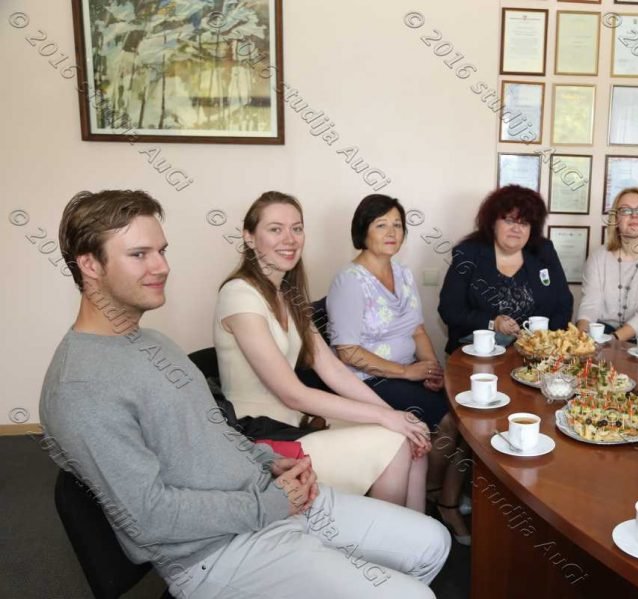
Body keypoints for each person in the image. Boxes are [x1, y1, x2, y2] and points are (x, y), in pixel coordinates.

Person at [41, 190, 449, 598]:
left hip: (268, 500)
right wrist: (271, 503)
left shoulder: (154, 343)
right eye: (139, 254)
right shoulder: (79, 388)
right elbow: (148, 518)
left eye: (162, 251)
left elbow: (216, 432)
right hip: (217, 551)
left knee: (434, 543)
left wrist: (269, 462)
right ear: (90, 265)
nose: (162, 266)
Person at [214, 191, 430, 511]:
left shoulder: (288, 296)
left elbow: (333, 369)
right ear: (249, 237)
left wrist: (397, 417)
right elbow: (293, 394)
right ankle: (388, 537)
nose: (289, 239)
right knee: (394, 444)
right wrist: (387, 418)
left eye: (297, 228)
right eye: (275, 229)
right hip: (260, 435)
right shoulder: (239, 294)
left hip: (297, 423)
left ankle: (417, 537)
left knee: (412, 440)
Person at [327, 194, 470, 544]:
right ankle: (434, 494)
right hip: (368, 382)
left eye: (397, 225)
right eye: (381, 225)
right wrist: (408, 373)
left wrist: (432, 368)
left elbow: (417, 330)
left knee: (465, 410)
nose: (392, 233)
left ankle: (443, 499)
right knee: (449, 421)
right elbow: (347, 352)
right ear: (363, 231)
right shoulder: (349, 281)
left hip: (408, 373)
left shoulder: (403, 273)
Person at [438, 185, 574, 353]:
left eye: (524, 223)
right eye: (509, 221)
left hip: (536, 353)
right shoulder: (468, 254)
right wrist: (492, 322)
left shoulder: (544, 251)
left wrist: (542, 342)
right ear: (492, 223)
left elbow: (564, 303)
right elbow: (450, 309)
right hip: (480, 353)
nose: (516, 229)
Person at [575, 188, 638, 354]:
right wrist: (581, 339)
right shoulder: (598, 257)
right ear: (616, 219)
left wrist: (610, 342)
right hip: (603, 335)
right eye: (626, 210)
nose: (634, 215)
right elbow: (590, 305)